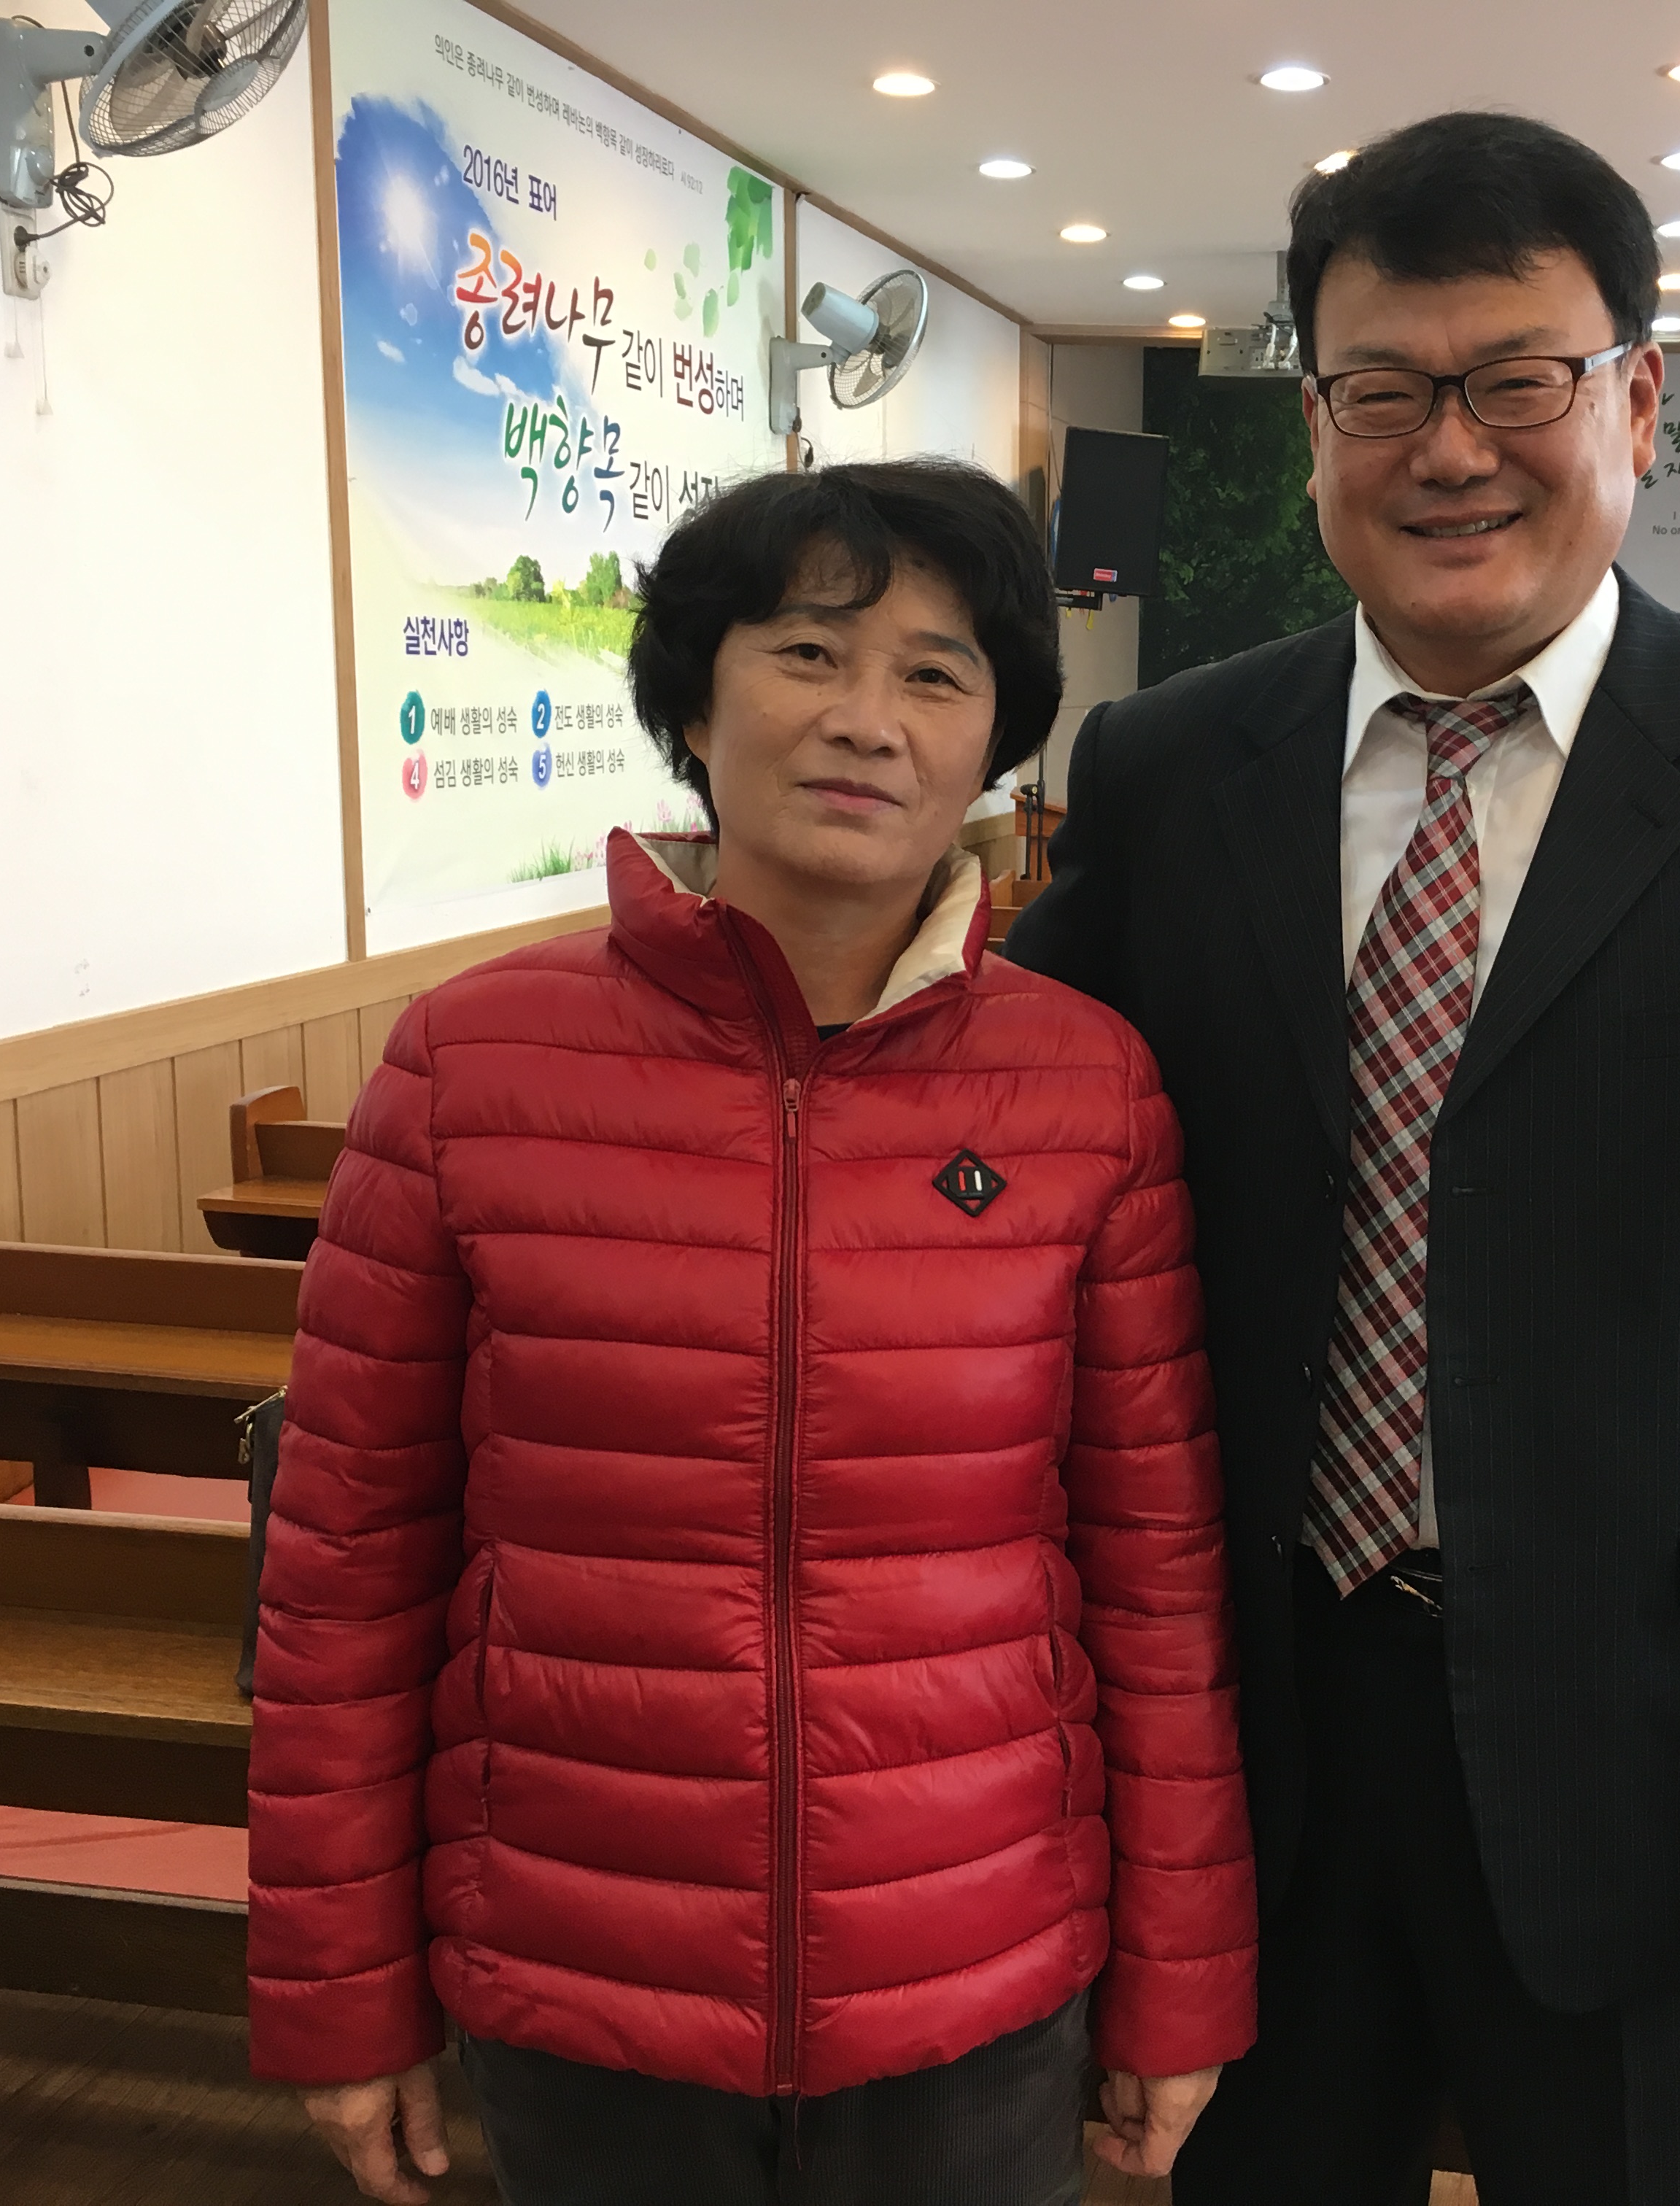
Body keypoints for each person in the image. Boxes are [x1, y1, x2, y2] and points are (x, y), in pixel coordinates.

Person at [1004, 112, 1680, 2205]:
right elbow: (1013, 1128)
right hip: (1247, 1720)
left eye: (1516, 382)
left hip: (1653, 1727)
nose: (1448, 449)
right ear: (1317, 428)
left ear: (1635, 400)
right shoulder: (1175, 764)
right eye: (1384, 391)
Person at [247, 458, 1258, 2206]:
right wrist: (340, 1996)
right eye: (807, 653)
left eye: (935, 674)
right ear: (694, 707)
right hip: (583, 1964)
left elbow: (1158, 1584)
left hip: (976, 1976)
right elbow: (345, 1569)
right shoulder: (469, 1066)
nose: (867, 718)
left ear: (994, 744)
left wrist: (1179, 1984)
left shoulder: (1086, 1088)